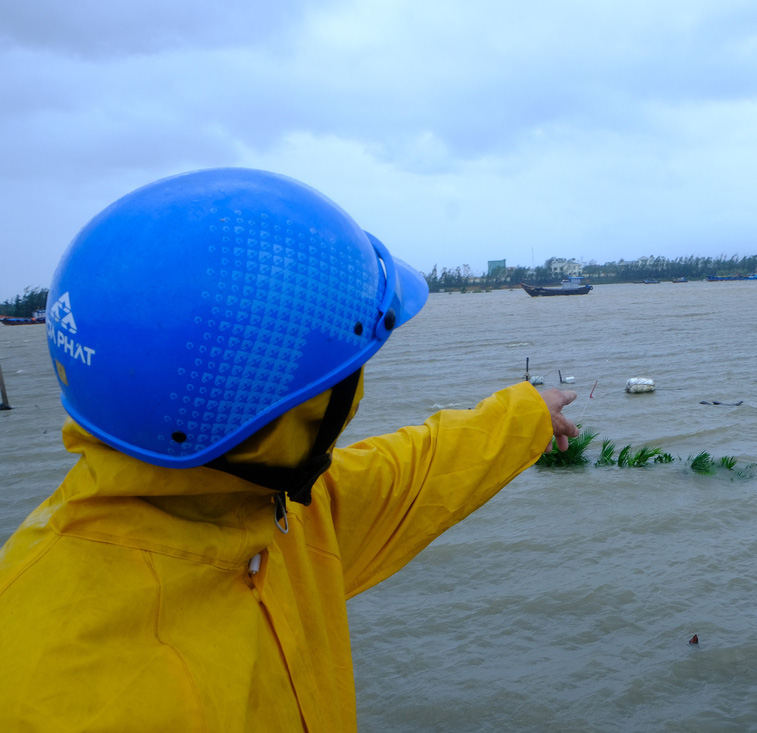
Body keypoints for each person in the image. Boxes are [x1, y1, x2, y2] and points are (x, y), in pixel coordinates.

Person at [0, 168, 579, 731]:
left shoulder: (259, 509)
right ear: (293, 412)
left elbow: (407, 473)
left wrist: (526, 413)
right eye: (347, 374)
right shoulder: (79, 700)